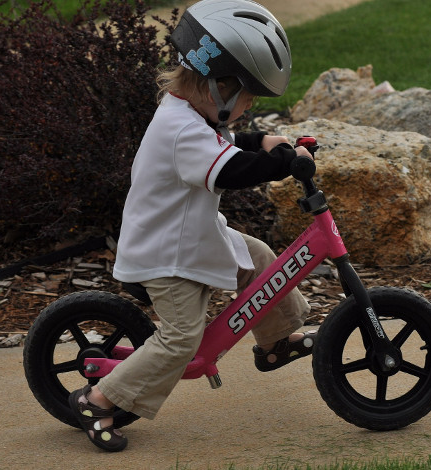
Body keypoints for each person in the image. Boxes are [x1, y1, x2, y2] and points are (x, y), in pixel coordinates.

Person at [69, 0, 315, 452]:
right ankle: (98, 398)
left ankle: (277, 341)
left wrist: (261, 140)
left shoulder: (188, 112)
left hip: (193, 238)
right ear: (220, 89)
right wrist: (282, 164)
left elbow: (224, 143)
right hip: (166, 257)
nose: (247, 108)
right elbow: (231, 171)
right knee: (183, 338)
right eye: (248, 99)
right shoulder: (182, 131)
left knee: (260, 257)